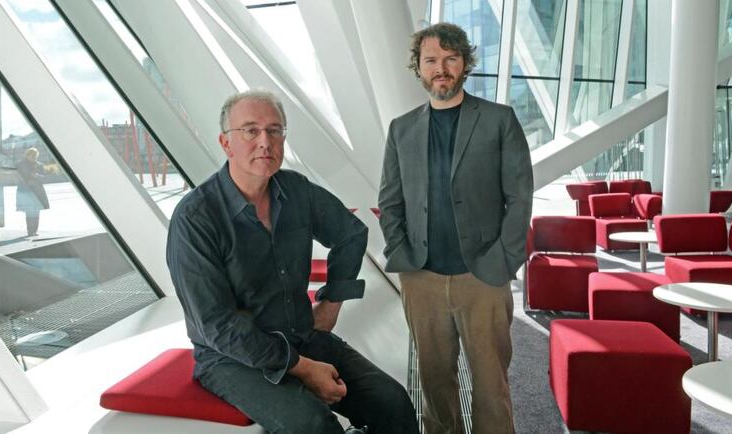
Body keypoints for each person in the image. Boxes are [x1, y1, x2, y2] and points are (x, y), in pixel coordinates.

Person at [166, 90, 418, 434]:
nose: (264, 142)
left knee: (393, 402)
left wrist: (331, 303)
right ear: (226, 143)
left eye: (275, 131)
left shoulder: (296, 190)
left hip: (300, 334)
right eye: (250, 131)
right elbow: (217, 326)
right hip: (232, 357)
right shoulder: (195, 218)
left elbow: (351, 234)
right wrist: (302, 368)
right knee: (314, 426)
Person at [379, 23, 533, 434]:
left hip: (483, 276)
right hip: (422, 278)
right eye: (431, 60)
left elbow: (520, 198)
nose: (441, 68)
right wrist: (403, 253)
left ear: (464, 64)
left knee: (490, 386)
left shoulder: (499, 120)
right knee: (434, 385)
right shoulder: (401, 129)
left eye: (450, 58)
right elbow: (391, 201)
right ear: (419, 68)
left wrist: (502, 262)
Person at [16, 147, 50, 237]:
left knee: (36, 211)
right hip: (26, 191)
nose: (34, 157)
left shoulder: (39, 165)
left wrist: (38, 176)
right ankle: (30, 231)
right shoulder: (20, 164)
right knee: (29, 211)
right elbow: (19, 177)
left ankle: (34, 230)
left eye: (35, 155)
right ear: (27, 155)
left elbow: (45, 178)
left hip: (37, 191)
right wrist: (29, 177)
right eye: (31, 155)